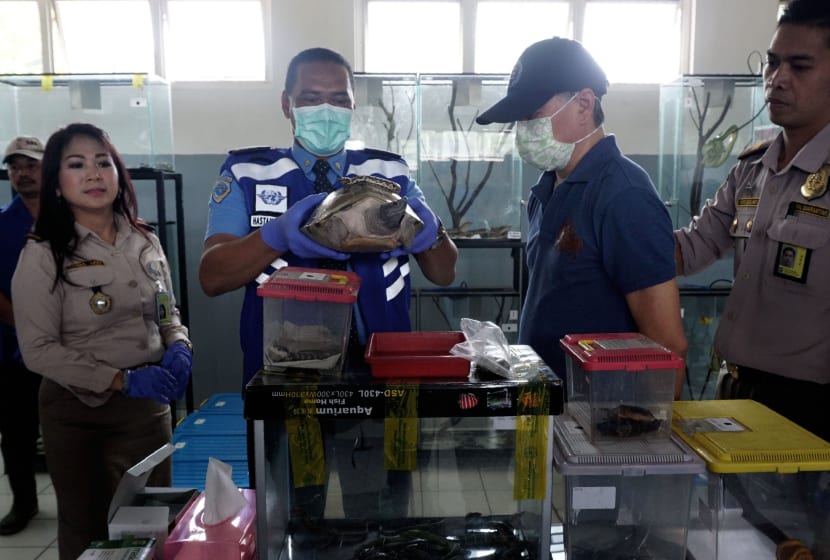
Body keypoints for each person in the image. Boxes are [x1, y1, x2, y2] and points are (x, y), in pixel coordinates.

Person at [199, 46, 457, 388]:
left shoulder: (389, 172)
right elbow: (212, 278)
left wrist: (433, 235)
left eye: (338, 98)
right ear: (285, 104)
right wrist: (274, 236)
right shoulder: (248, 173)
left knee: (382, 443)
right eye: (310, 97)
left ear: (352, 105)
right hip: (283, 369)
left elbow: (444, 273)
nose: (326, 109)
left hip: (382, 363)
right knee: (283, 443)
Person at [11, 123, 193, 560]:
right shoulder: (44, 253)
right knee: (88, 532)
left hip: (147, 410)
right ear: (56, 181)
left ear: (118, 172)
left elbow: (166, 309)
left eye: (102, 162)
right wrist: (117, 379)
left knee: (151, 523)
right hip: (80, 414)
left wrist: (179, 344)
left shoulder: (144, 239)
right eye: (76, 165)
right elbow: (37, 349)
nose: (93, 174)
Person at [475, 37, 687, 396]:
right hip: (550, 408)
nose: (524, 131)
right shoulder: (547, 190)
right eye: (520, 121)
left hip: (602, 420)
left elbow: (667, 344)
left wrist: (642, 435)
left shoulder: (624, 196)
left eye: (533, 117)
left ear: (584, 103)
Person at [674, 0, 830, 442]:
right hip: (737, 392)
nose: (778, 79)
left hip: (809, 408)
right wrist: (614, 238)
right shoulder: (753, 168)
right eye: (773, 63)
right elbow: (691, 248)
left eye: (800, 67)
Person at [0, 136, 44, 535]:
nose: (22, 173)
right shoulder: (2, 223)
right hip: (13, 347)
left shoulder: (72, 217)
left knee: (74, 429)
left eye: (30, 164)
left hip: (71, 345)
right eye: (15, 167)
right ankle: (24, 503)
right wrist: (25, 328)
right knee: (16, 432)